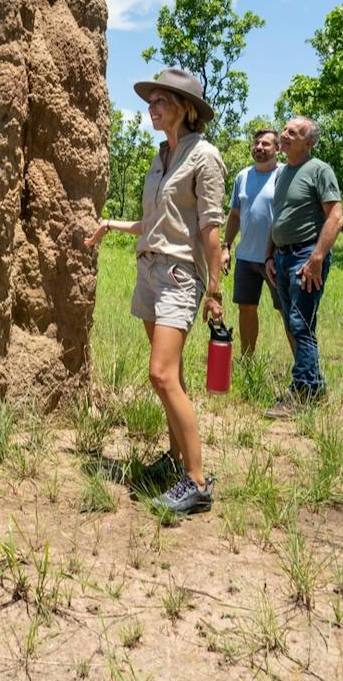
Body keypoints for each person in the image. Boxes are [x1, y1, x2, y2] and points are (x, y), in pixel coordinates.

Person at [86, 68, 225, 516]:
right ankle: (176, 458)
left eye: (161, 101)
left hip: (180, 275)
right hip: (149, 269)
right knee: (173, 377)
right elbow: (156, 222)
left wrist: (215, 290)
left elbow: (210, 227)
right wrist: (112, 225)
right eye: (151, 101)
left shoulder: (204, 157)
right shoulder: (161, 156)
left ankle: (197, 483)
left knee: (161, 375)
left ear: (185, 108)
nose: (152, 108)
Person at [262, 116, 343, 417]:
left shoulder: (319, 170)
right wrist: (269, 257)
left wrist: (317, 258)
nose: (284, 134)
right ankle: (315, 387)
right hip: (282, 258)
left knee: (301, 324)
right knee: (292, 323)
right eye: (284, 129)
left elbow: (335, 217)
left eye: (293, 133)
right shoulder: (282, 173)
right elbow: (278, 218)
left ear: (308, 142)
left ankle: (302, 393)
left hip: (305, 257)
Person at [221, 128, 289, 360]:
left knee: (286, 310)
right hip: (246, 258)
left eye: (266, 144)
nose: (259, 147)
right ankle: (247, 361)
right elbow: (235, 215)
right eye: (256, 143)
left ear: (278, 148)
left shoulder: (285, 174)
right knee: (246, 308)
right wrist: (226, 247)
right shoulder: (243, 176)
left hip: (277, 257)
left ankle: (303, 366)